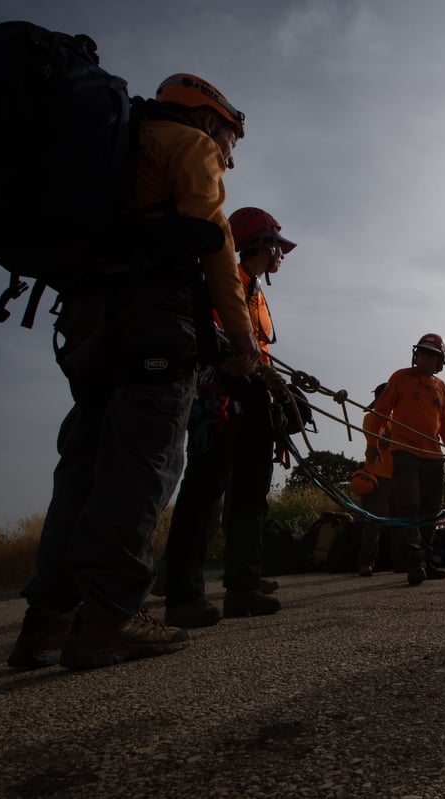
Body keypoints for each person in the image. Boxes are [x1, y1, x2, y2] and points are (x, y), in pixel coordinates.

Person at [7, 73, 259, 670]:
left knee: (85, 466)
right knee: (142, 465)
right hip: (156, 318)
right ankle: (110, 620)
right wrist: (241, 336)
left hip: (90, 320)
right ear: (210, 117)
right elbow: (215, 244)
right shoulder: (186, 144)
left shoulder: (116, 148)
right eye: (231, 139)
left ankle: (47, 620)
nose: (229, 154)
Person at [159, 207, 298, 628]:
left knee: (252, 494)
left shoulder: (256, 293)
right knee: (205, 492)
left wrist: (274, 384)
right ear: (260, 243)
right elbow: (209, 341)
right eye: (279, 246)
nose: (282, 256)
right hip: (221, 396)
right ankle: (182, 594)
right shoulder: (222, 282)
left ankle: (243, 588)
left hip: (255, 397)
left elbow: (258, 349)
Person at [368, 334, 445, 586]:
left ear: (440, 361)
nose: (426, 357)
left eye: (432, 354)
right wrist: (371, 445)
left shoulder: (441, 387)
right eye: (422, 352)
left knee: (430, 509)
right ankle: (414, 562)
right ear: (415, 355)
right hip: (404, 452)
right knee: (409, 505)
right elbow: (380, 411)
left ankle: (427, 560)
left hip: (433, 455)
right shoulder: (400, 378)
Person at [355, 383, 396, 577]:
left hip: (399, 474)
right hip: (377, 475)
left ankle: (401, 560)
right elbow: (383, 440)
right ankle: (366, 562)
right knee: (372, 522)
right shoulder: (370, 418)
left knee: (401, 520)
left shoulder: (401, 418)